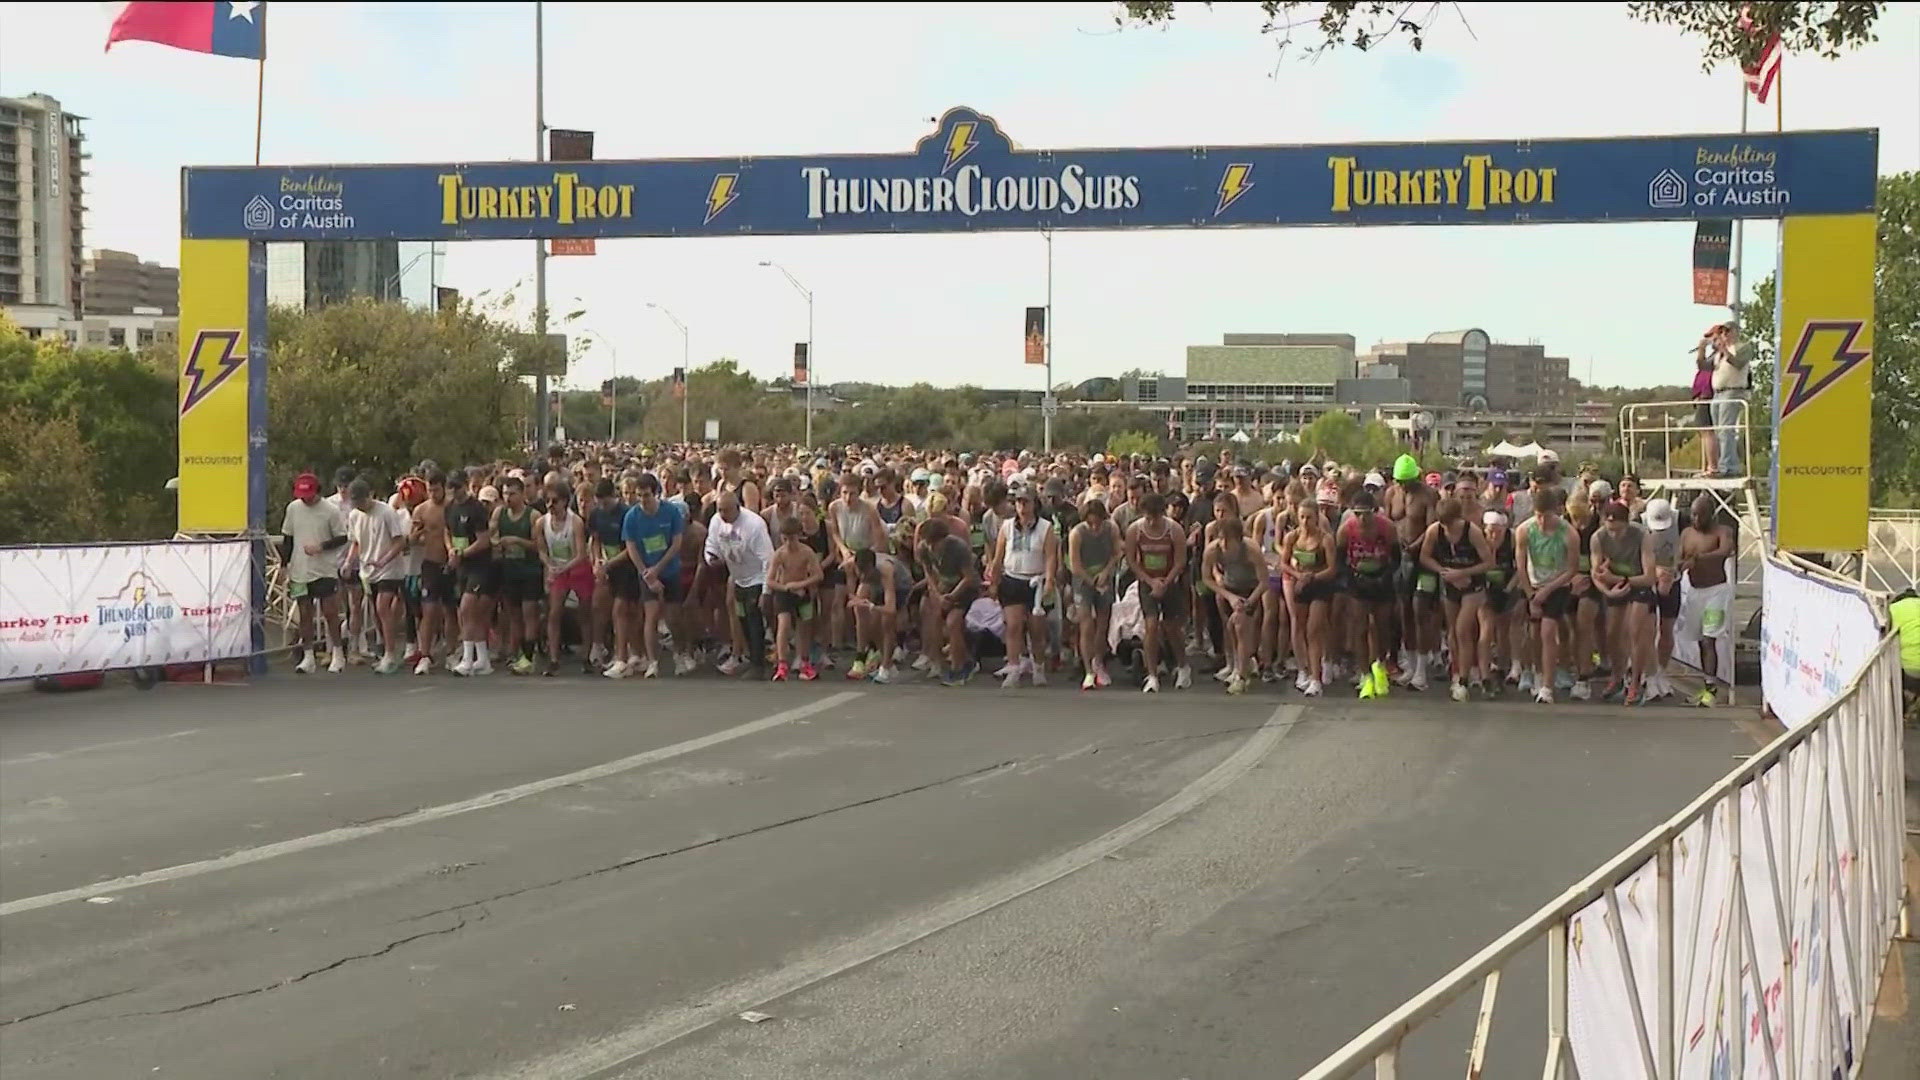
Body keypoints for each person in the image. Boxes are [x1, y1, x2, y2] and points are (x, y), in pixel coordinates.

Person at [1417, 496, 1494, 701]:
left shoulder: (1472, 532)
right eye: (1444, 524)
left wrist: (1463, 573)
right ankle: (1457, 670)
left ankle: (1465, 678)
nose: (1448, 528)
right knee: (1453, 631)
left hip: (1472, 584)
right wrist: (1444, 572)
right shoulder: (1435, 531)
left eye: (1451, 524)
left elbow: (1488, 562)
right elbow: (1425, 557)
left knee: (1463, 628)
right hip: (1450, 582)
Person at [988, 487, 1059, 689]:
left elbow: (1051, 556)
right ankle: (1013, 667)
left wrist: (1050, 580)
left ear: (1034, 504)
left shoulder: (1046, 528)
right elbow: (998, 555)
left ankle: (1038, 667)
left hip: (1035, 581)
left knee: (1037, 629)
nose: (1021, 506)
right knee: (1014, 625)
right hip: (1012, 579)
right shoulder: (1007, 527)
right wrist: (994, 581)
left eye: (1025, 502)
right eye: (1018, 502)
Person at [617, 473, 686, 679]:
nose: (642, 500)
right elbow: (631, 547)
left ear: (656, 494)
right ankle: (653, 661)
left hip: (669, 569)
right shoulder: (632, 516)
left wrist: (658, 568)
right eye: (639, 496)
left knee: (673, 617)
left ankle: (679, 654)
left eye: (646, 495)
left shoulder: (671, 512)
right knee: (651, 615)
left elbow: (676, 543)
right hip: (646, 571)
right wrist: (646, 573)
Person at [1514, 486, 1578, 705]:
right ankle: (1537, 672)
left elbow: (1571, 569)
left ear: (1557, 512)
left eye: (1547, 516)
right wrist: (1532, 595)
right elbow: (1521, 566)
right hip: (1532, 585)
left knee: (1549, 632)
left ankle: (1547, 687)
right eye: (1538, 516)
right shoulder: (1524, 530)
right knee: (1534, 633)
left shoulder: (1568, 533)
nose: (1542, 521)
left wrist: (1547, 591)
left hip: (1557, 585)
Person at [280, 471, 349, 674]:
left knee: (330, 612)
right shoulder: (293, 508)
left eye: (308, 494)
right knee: (304, 613)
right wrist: (284, 564)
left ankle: (337, 653)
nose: (305, 498)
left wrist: (321, 547)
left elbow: (342, 537)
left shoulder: (330, 510)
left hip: (324, 568)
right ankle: (308, 656)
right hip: (300, 568)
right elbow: (288, 538)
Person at [705, 489, 777, 679]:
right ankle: (751, 657)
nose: (723, 515)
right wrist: (711, 557)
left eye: (726, 511)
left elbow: (768, 559)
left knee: (755, 621)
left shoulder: (754, 525)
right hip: (737, 577)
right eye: (720, 510)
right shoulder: (716, 521)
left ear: (737, 507)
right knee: (742, 619)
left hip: (757, 577)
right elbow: (711, 544)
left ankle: (758, 665)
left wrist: (766, 591)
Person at [1591, 499, 1657, 704]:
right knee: (1613, 633)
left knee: (1634, 631)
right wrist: (1608, 591)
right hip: (1614, 587)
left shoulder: (1641, 535)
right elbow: (1596, 573)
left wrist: (1621, 580)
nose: (1614, 535)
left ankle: (1636, 682)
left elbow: (1650, 576)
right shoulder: (1598, 537)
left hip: (1637, 583)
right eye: (1610, 530)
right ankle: (1617, 676)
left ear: (1626, 523)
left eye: (1618, 531)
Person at [1125, 492, 1190, 692]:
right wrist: (1150, 581)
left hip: (1169, 580)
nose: (1152, 522)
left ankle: (1182, 666)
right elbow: (1132, 560)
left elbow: (1180, 560)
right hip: (1148, 581)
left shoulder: (1174, 530)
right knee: (1151, 626)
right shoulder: (1135, 530)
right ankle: (1151, 674)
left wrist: (1166, 581)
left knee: (1171, 627)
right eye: (1148, 517)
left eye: (1156, 517)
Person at [1337, 489, 1397, 700]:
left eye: (1367, 513)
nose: (1363, 518)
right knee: (1359, 627)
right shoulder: (1346, 530)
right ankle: (1364, 673)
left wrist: (1385, 576)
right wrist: (1352, 578)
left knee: (1381, 627)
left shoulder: (1386, 528)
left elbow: (1396, 558)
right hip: (1358, 581)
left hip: (1382, 579)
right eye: (1358, 513)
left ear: (1375, 511)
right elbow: (1339, 561)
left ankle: (1380, 663)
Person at [346, 478, 409, 675]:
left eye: (361, 501)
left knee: (384, 607)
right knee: (377, 612)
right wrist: (349, 562)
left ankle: (391, 654)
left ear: (370, 496)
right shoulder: (355, 515)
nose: (359, 506)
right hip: (368, 569)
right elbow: (356, 542)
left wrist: (384, 559)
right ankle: (386, 649)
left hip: (389, 569)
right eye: (355, 502)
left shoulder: (386, 513)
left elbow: (400, 541)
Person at [1678, 494, 1735, 706]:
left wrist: (1699, 558)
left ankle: (1711, 690)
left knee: (1709, 638)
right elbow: (1679, 557)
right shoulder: (1686, 533)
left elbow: (1724, 551)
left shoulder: (1723, 531)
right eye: (1693, 514)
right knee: (1701, 641)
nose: (1695, 519)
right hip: (1694, 592)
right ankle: (1705, 685)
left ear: (1711, 515)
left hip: (1716, 593)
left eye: (1700, 515)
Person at [1203, 511, 1263, 694]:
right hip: (1228, 589)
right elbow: (1206, 579)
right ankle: (1239, 663)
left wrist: (1248, 602)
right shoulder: (1213, 550)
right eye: (1222, 539)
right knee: (1229, 628)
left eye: (1230, 540)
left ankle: (1241, 677)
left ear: (1240, 539)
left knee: (1241, 627)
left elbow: (1264, 581)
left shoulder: (1251, 550)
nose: (1225, 544)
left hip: (1250, 589)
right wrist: (1229, 596)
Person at [536, 484, 593, 677]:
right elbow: (542, 549)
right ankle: (553, 659)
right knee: (554, 612)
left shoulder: (575, 522)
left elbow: (581, 554)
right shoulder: (542, 522)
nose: (551, 505)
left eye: (555, 501)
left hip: (577, 568)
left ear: (565, 502)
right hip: (558, 569)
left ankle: (587, 656)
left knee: (584, 612)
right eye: (547, 501)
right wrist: (549, 565)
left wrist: (564, 568)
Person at [446, 468, 498, 676]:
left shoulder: (476, 508)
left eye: (457, 487)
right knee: (469, 613)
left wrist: (464, 553)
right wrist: (451, 550)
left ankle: (468, 659)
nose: (454, 491)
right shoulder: (450, 508)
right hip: (462, 566)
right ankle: (483, 659)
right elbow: (446, 532)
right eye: (451, 487)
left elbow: (483, 540)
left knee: (468, 608)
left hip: (479, 565)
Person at [491, 476, 545, 675]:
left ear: (522, 494)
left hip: (529, 571)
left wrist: (517, 541)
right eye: (505, 493)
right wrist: (496, 542)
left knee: (529, 612)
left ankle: (529, 657)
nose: (508, 498)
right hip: (509, 570)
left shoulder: (533, 516)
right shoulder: (500, 512)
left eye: (512, 493)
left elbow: (539, 546)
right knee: (513, 615)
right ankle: (517, 653)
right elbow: (492, 534)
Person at [1067, 498, 1121, 691]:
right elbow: (1075, 565)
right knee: (1086, 623)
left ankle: (1099, 662)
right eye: (1090, 522)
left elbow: (1117, 553)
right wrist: (1092, 582)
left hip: (1104, 577)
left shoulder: (1111, 529)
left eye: (1097, 521)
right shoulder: (1077, 533)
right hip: (1084, 581)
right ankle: (1088, 669)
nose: (1094, 526)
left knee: (1103, 623)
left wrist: (1106, 572)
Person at [766, 515, 823, 681]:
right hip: (785, 592)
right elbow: (770, 580)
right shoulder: (779, 554)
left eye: (792, 538)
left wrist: (801, 584)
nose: (789, 543)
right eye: (785, 539)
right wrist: (785, 587)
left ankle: (804, 662)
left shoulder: (807, 552)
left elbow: (818, 575)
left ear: (799, 535)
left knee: (804, 627)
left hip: (802, 592)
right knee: (783, 625)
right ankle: (782, 663)